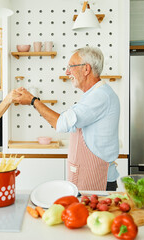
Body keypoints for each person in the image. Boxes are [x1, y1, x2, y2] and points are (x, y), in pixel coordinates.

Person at [15, 47, 120, 191]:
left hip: (98, 179)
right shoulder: (92, 95)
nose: (67, 72)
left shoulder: (100, 96)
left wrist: (33, 101)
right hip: (87, 177)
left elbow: (62, 123)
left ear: (86, 69)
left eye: (71, 66)